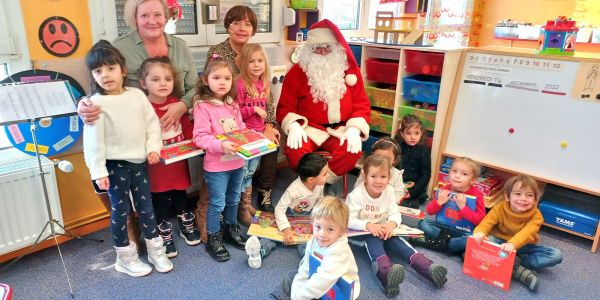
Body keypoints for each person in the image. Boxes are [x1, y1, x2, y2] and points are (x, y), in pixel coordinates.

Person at [77, 0, 199, 245]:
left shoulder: (181, 47)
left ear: (167, 16)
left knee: (176, 179)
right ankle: (150, 228)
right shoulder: (119, 47)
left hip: (174, 128)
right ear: (134, 18)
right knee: (149, 185)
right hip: (134, 135)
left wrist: (182, 104)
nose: (151, 20)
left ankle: (181, 219)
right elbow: (101, 82)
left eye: (157, 14)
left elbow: (194, 87)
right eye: (144, 15)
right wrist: (83, 102)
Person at [83, 40, 172, 276]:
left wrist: (153, 146)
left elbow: (152, 124)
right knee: (120, 212)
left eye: (110, 68)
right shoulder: (96, 104)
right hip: (113, 168)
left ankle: (156, 251)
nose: (105, 75)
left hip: (139, 163)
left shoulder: (136, 96)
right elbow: (93, 143)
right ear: (93, 75)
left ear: (122, 69)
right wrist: (98, 172)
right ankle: (125, 256)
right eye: (98, 71)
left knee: (146, 208)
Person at [200, 5, 280, 231]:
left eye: (247, 23)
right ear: (228, 26)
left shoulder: (255, 52)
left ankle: (249, 202)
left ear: (254, 29)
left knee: (272, 140)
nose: (241, 28)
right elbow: (212, 86)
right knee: (224, 162)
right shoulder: (219, 52)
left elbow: (267, 96)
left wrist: (268, 124)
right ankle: (208, 213)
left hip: (249, 120)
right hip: (223, 118)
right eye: (236, 22)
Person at [276, 19, 371, 184]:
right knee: (294, 149)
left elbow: (361, 104)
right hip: (310, 129)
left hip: (341, 129)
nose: (321, 51)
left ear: (336, 48)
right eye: (316, 48)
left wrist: (354, 129)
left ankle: (323, 182)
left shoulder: (351, 72)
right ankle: (314, 181)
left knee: (352, 150)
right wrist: (293, 126)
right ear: (308, 49)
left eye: (327, 47)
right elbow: (285, 107)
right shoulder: (297, 73)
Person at [347, 155, 447, 297]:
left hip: (383, 228)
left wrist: (391, 224)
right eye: (373, 176)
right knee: (374, 242)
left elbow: (395, 212)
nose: (378, 181)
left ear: (389, 177)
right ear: (364, 175)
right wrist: (368, 225)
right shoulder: (356, 195)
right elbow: (348, 219)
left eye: (383, 177)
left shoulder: (388, 191)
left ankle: (428, 267)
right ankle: (385, 274)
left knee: (398, 241)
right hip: (362, 232)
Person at [138, 56, 201, 258]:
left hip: (177, 163)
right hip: (156, 166)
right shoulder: (141, 108)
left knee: (180, 192)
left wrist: (197, 143)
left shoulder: (177, 104)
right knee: (159, 197)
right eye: (155, 79)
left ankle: (185, 223)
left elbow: (188, 130)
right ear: (143, 83)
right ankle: (163, 230)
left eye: (167, 79)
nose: (162, 83)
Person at [192, 57, 247, 262]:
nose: (222, 82)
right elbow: (200, 138)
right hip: (217, 166)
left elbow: (240, 130)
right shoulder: (203, 107)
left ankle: (230, 230)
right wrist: (221, 145)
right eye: (216, 77)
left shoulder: (232, 104)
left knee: (234, 199)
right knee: (217, 203)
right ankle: (214, 238)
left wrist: (250, 139)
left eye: (227, 78)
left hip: (238, 162)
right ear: (206, 80)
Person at [471, 174, 563, 292]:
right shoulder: (499, 208)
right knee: (487, 241)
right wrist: (480, 232)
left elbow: (526, 232)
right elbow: (486, 223)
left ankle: (516, 262)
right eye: (518, 194)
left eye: (529, 195)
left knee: (556, 255)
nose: (523, 198)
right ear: (507, 196)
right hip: (500, 243)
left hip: (524, 246)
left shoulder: (537, 215)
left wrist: (513, 244)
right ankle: (515, 267)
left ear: (535, 199)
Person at [270, 196, 360, 300]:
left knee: (310, 290)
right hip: (318, 277)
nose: (322, 234)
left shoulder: (339, 251)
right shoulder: (314, 240)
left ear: (342, 231)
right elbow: (305, 268)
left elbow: (322, 282)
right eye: (318, 227)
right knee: (291, 277)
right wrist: (297, 291)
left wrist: (300, 295)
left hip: (340, 291)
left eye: (330, 229)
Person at [236, 43, 279, 223]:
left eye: (260, 60)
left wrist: (267, 127)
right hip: (245, 135)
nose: (256, 65)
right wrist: (252, 109)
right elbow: (235, 111)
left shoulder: (264, 83)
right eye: (251, 61)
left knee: (251, 171)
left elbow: (268, 109)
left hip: (259, 133)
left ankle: (246, 205)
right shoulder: (240, 84)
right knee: (244, 172)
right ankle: (241, 208)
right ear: (244, 63)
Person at [411, 157, 485, 254]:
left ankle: (437, 243)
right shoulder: (445, 188)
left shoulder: (477, 195)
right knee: (423, 223)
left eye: (464, 174)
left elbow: (480, 220)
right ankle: (449, 246)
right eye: (454, 171)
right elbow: (429, 211)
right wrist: (439, 202)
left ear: (472, 180)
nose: (457, 176)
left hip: (463, 232)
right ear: (449, 173)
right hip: (443, 228)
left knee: (472, 238)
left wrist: (463, 207)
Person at [354, 137, 407, 203]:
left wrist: (387, 203)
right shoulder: (366, 170)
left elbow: (399, 193)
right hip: (367, 202)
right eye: (378, 157)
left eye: (387, 159)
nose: (382, 161)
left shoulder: (396, 174)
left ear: (394, 160)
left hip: (386, 205)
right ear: (373, 155)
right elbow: (357, 188)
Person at [395, 114, 431, 208]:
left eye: (416, 133)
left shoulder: (424, 150)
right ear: (402, 134)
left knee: (411, 204)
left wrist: (412, 192)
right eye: (409, 133)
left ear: (421, 133)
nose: (413, 137)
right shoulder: (397, 147)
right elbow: (392, 168)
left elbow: (426, 175)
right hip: (398, 184)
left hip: (415, 187)